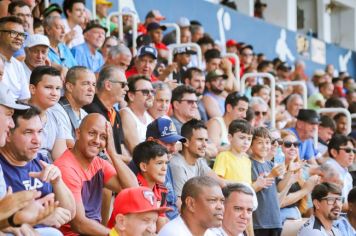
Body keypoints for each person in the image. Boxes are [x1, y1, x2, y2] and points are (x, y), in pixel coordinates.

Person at [54, 113, 138, 236]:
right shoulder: (66, 167)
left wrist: (113, 154)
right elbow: (79, 224)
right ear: (78, 133)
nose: (97, 141)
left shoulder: (99, 163)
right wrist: (115, 235)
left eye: (103, 137)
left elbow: (133, 189)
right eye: (92, 133)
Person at [0, 105, 76, 235]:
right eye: (28, 132)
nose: (37, 141)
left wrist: (58, 182)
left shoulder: (41, 161)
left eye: (40, 132)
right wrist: (40, 217)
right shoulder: (1, 166)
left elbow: (69, 213)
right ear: (8, 134)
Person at [170, 119, 224, 198]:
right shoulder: (177, 166)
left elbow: (221, 183)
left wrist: (244, 184)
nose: (205, 145)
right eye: (200, 139)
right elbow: (180, 203)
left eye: (206, 140)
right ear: (186, 142)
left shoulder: (199, 161)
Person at [84, 66, 128, 158]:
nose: (127, 89)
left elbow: (121, 147)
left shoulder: (115, 113)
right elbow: (102, 153)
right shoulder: (90, 110)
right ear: (108, 85)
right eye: (123, 84)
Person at [159, 176, 224, 236]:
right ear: (191, 204)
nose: (220, 207)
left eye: (222, 201)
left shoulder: (210, 234)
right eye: (212, 200)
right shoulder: (172, 233)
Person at [28, 66, 68, 162]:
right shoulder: (19, 114)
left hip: (49, 172)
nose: (54, 93)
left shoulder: (55, 117)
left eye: (58, 88)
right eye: (48, 87)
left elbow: (60, 157)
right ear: (33, 89)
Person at [250, 127, 284, 236]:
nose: (265, 146)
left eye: (268, 142)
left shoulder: (270, 164)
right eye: (260, 142)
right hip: (260, 222)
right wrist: (272, 175)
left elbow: (280, 188)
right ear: (251, 145)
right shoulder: (250, 164)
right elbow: (253, 188)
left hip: (275, 219)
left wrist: (290, 173)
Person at [131, 141, 170, 230]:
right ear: (144, 167)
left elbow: (161, 222)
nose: (165, 168)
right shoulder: (134, 187)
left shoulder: (162, 190)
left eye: (166, 163)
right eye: (159, 163)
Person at [54, 66, 96, 146]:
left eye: (94, 85)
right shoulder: (57, 110)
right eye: (86, 83)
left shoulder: (85, 114)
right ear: (70, 87)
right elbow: (70, 146)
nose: (91, 89)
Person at [120, 75, 154, 154]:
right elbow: (136, 151)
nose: (151, 95)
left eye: (152, 91)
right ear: (131, 96)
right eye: (145, 92)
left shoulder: (149, 117)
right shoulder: (126, 114)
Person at [213, 119, 253, 184]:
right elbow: (218, 181)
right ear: (230, 138)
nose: (246, 142)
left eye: (249, 139)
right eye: (242, 137)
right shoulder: (223, 156)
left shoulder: (247, 160)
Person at [0, 16, 30, 101]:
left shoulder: (18, 65)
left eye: (22, 34)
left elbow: (25, 99)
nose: (19, 38)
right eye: (13, 32)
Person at [326, 134, 354, 200]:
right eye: (348, 150)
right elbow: (331, 201)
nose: (352, 154)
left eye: (354, 151)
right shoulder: (327, 169)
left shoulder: (348, 176)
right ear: (334, 152)